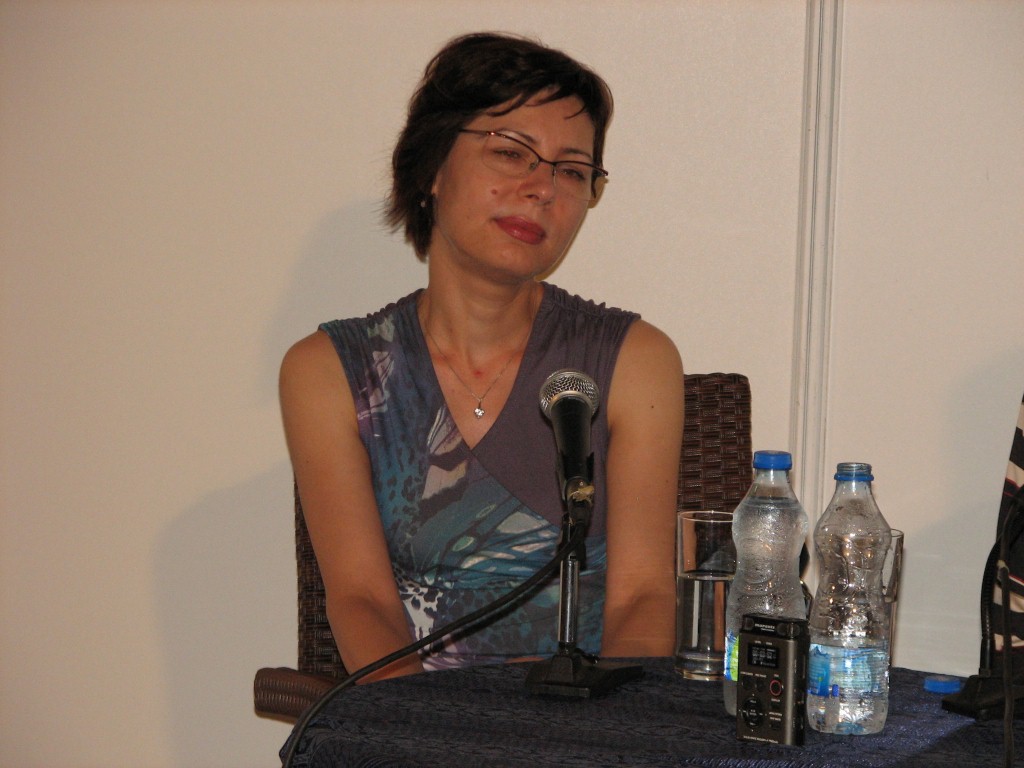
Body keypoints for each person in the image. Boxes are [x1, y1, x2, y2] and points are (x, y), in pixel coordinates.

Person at [279, 32, 684, 682]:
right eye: (510, 152)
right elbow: (361, 602)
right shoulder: (329, 372)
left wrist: (604, 731)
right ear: (432, 168)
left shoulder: (635, 360)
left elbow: (643, 597)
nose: (541, 188)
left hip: (590, 719)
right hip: (415, 717)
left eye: (572, 171)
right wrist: (432, 732)